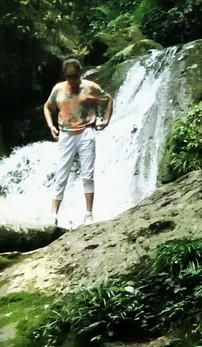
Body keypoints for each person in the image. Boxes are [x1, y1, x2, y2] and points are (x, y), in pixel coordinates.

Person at [43, 58, 113, 226]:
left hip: (86, 132)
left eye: (74, 76)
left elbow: (108, 99)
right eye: (68, 77)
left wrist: (106, 119)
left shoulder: (90, 87)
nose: (71, 80)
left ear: (80, 74)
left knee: (87, 175)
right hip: (66, 134)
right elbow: (47, 106)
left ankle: (88, 214)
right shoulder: (58, 89)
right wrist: (51, 125)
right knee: (61, 174)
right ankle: (53, 213)